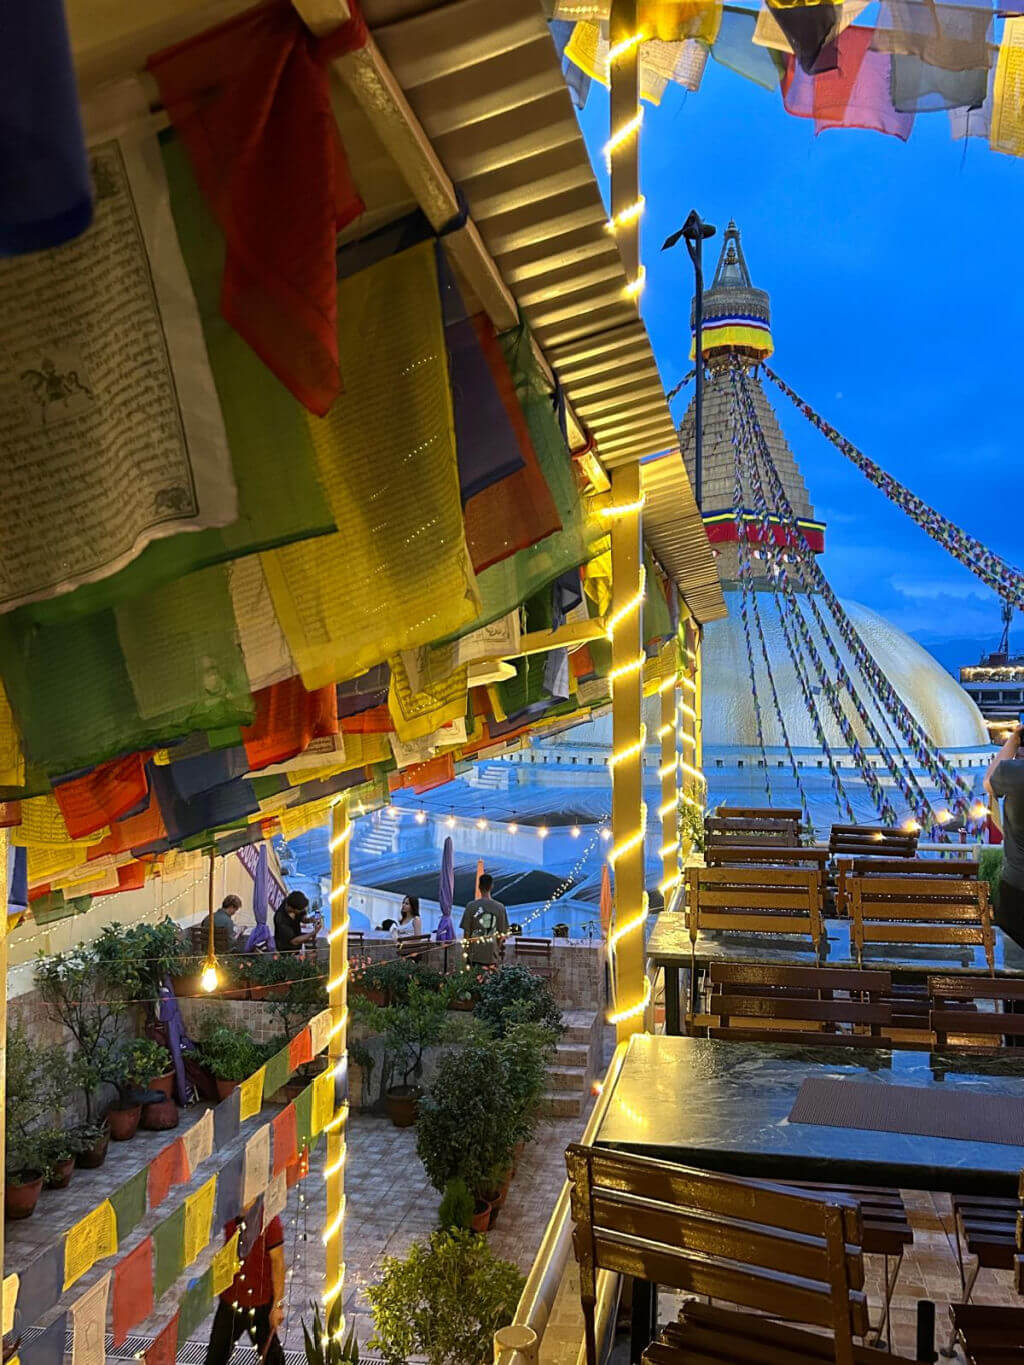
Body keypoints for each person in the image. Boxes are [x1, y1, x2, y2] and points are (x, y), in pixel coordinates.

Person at [204, 1214, 285, 1365]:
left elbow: (278, 1262)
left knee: (273, 1360)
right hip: (230, 1301)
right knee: (215, 1358)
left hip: (260, 1303)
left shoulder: (269, 1219)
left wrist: (277, 1306)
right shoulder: (230, 1215)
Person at [984, 720, 1024, 946]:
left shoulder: (1015, 773)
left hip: (1017, 884)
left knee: (1013, 963)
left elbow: (988, 781)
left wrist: (1013, 739)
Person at [460, 873, 508, 966]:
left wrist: (466, 952)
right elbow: (501, 935)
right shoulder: (500, 908)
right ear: (491, 886)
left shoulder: (471, 906)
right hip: (491, 955)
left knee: (473, 979)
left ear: (479, 886)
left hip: (474, 954)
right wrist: (495, 949)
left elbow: (466, 933)